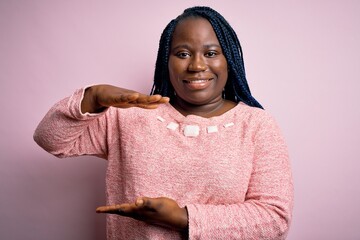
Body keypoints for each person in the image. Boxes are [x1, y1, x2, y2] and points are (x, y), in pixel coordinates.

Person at [34, 6, 293, 240]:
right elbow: (50, 140)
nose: (197, 65)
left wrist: (183, 218)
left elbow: (274, 218)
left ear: (229, 62)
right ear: (165, 62)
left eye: (211, 52)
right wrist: (93, 97)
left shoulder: (257, 125)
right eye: (182, 53)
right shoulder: (129, 116)